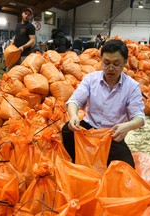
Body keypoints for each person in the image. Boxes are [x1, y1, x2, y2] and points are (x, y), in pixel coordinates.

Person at [62, 39, 145, 168]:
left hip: (112, 133)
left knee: (127, 168)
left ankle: (99, 161)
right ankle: (78, 162)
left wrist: (127, 126)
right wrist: (73, 116)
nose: (110, 68)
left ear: (124, 63)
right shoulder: (91, 79)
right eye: (106, 63)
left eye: (116, 64)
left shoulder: (132, 87)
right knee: (67, 130)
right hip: (89, 127)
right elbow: (74, 101)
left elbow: (139, 118)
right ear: (101, 61)